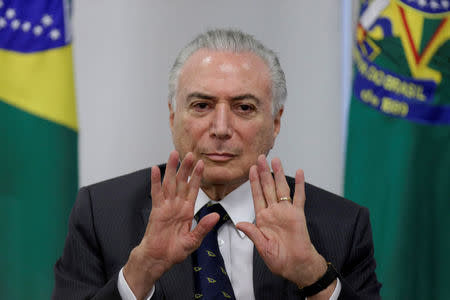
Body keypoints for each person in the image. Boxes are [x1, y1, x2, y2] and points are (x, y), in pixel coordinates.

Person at [53, 29, 381, 300]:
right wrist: (139, 275)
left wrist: (314, 277)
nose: (221, 128)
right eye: (201, 105)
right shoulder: (102, 214)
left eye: (244, 108)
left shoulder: (341, 225)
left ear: (276, 122)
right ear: (172, 115)